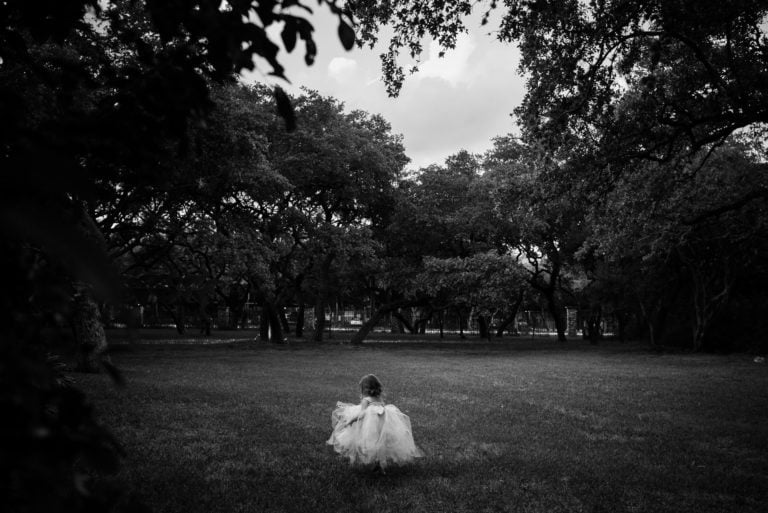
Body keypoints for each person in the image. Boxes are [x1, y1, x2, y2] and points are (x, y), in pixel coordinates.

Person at [327, 374, 423, 472]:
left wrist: (351, 420)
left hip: (370, 426)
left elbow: (362, 413)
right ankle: (378, 464)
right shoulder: (379, 398)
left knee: (365, 443)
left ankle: (370, 460)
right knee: (379, 443)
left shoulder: (366, 400)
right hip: (382, 425)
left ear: (364, 389)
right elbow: (381, 409)